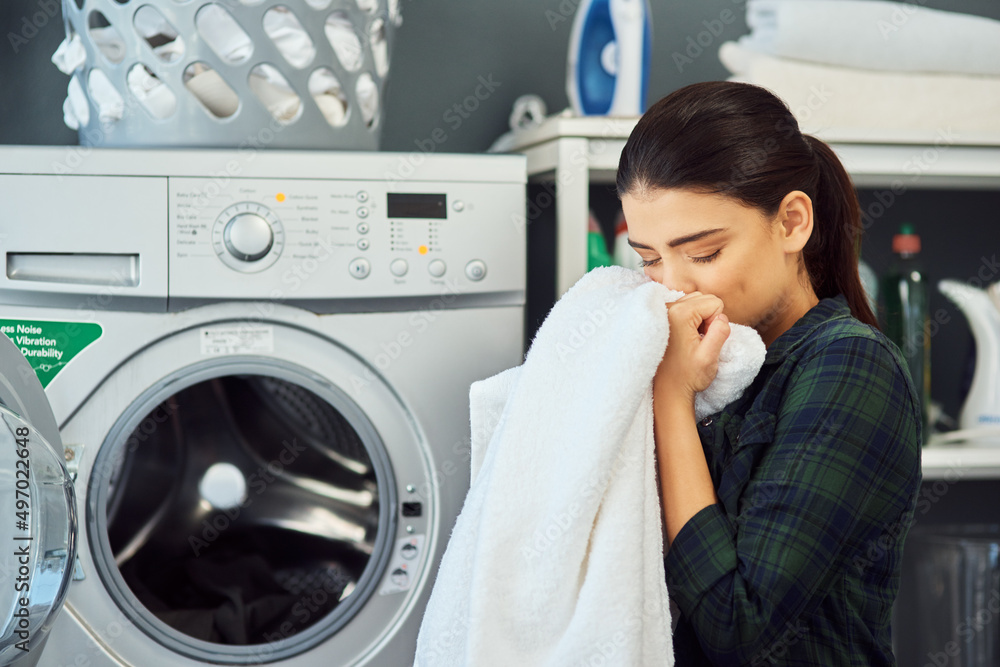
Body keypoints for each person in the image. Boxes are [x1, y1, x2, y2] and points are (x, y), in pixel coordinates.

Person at [617, 81, 922, 665]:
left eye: (703, 253)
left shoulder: (851, 365)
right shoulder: (712, 360)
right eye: (649, 258)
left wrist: (671, 399)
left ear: (791, 223)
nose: (673, 287)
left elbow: (740, 626)